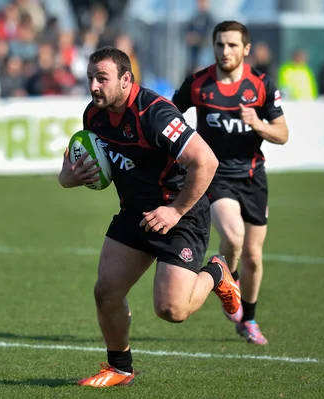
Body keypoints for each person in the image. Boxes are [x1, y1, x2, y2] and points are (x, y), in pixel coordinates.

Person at [58, 46, 241, 387]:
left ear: (126, 79)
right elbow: (88, 165)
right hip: (135, 212)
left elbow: (206, 161)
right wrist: (67, 178)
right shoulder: (93, 116)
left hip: (180, 212)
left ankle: (216, 272)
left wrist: (175, 211)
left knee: (172, 311)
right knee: (106, 291)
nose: (94, 86)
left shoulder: (155, 114)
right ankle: (120, 368)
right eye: (90, 79)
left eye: (103, 79)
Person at [172, 21, 289, 345]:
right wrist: (182, 149)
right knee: (234, 236)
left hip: (253, 176)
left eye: (233, 45)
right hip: (216, 176)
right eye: (220, 45)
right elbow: (168, 114)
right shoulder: (198, 83)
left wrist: (258, 124)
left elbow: (283, 134)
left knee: (253, 255)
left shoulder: (261, 85)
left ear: (246, 49)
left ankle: (248, 319)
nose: (226, 51)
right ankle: (225, 279)